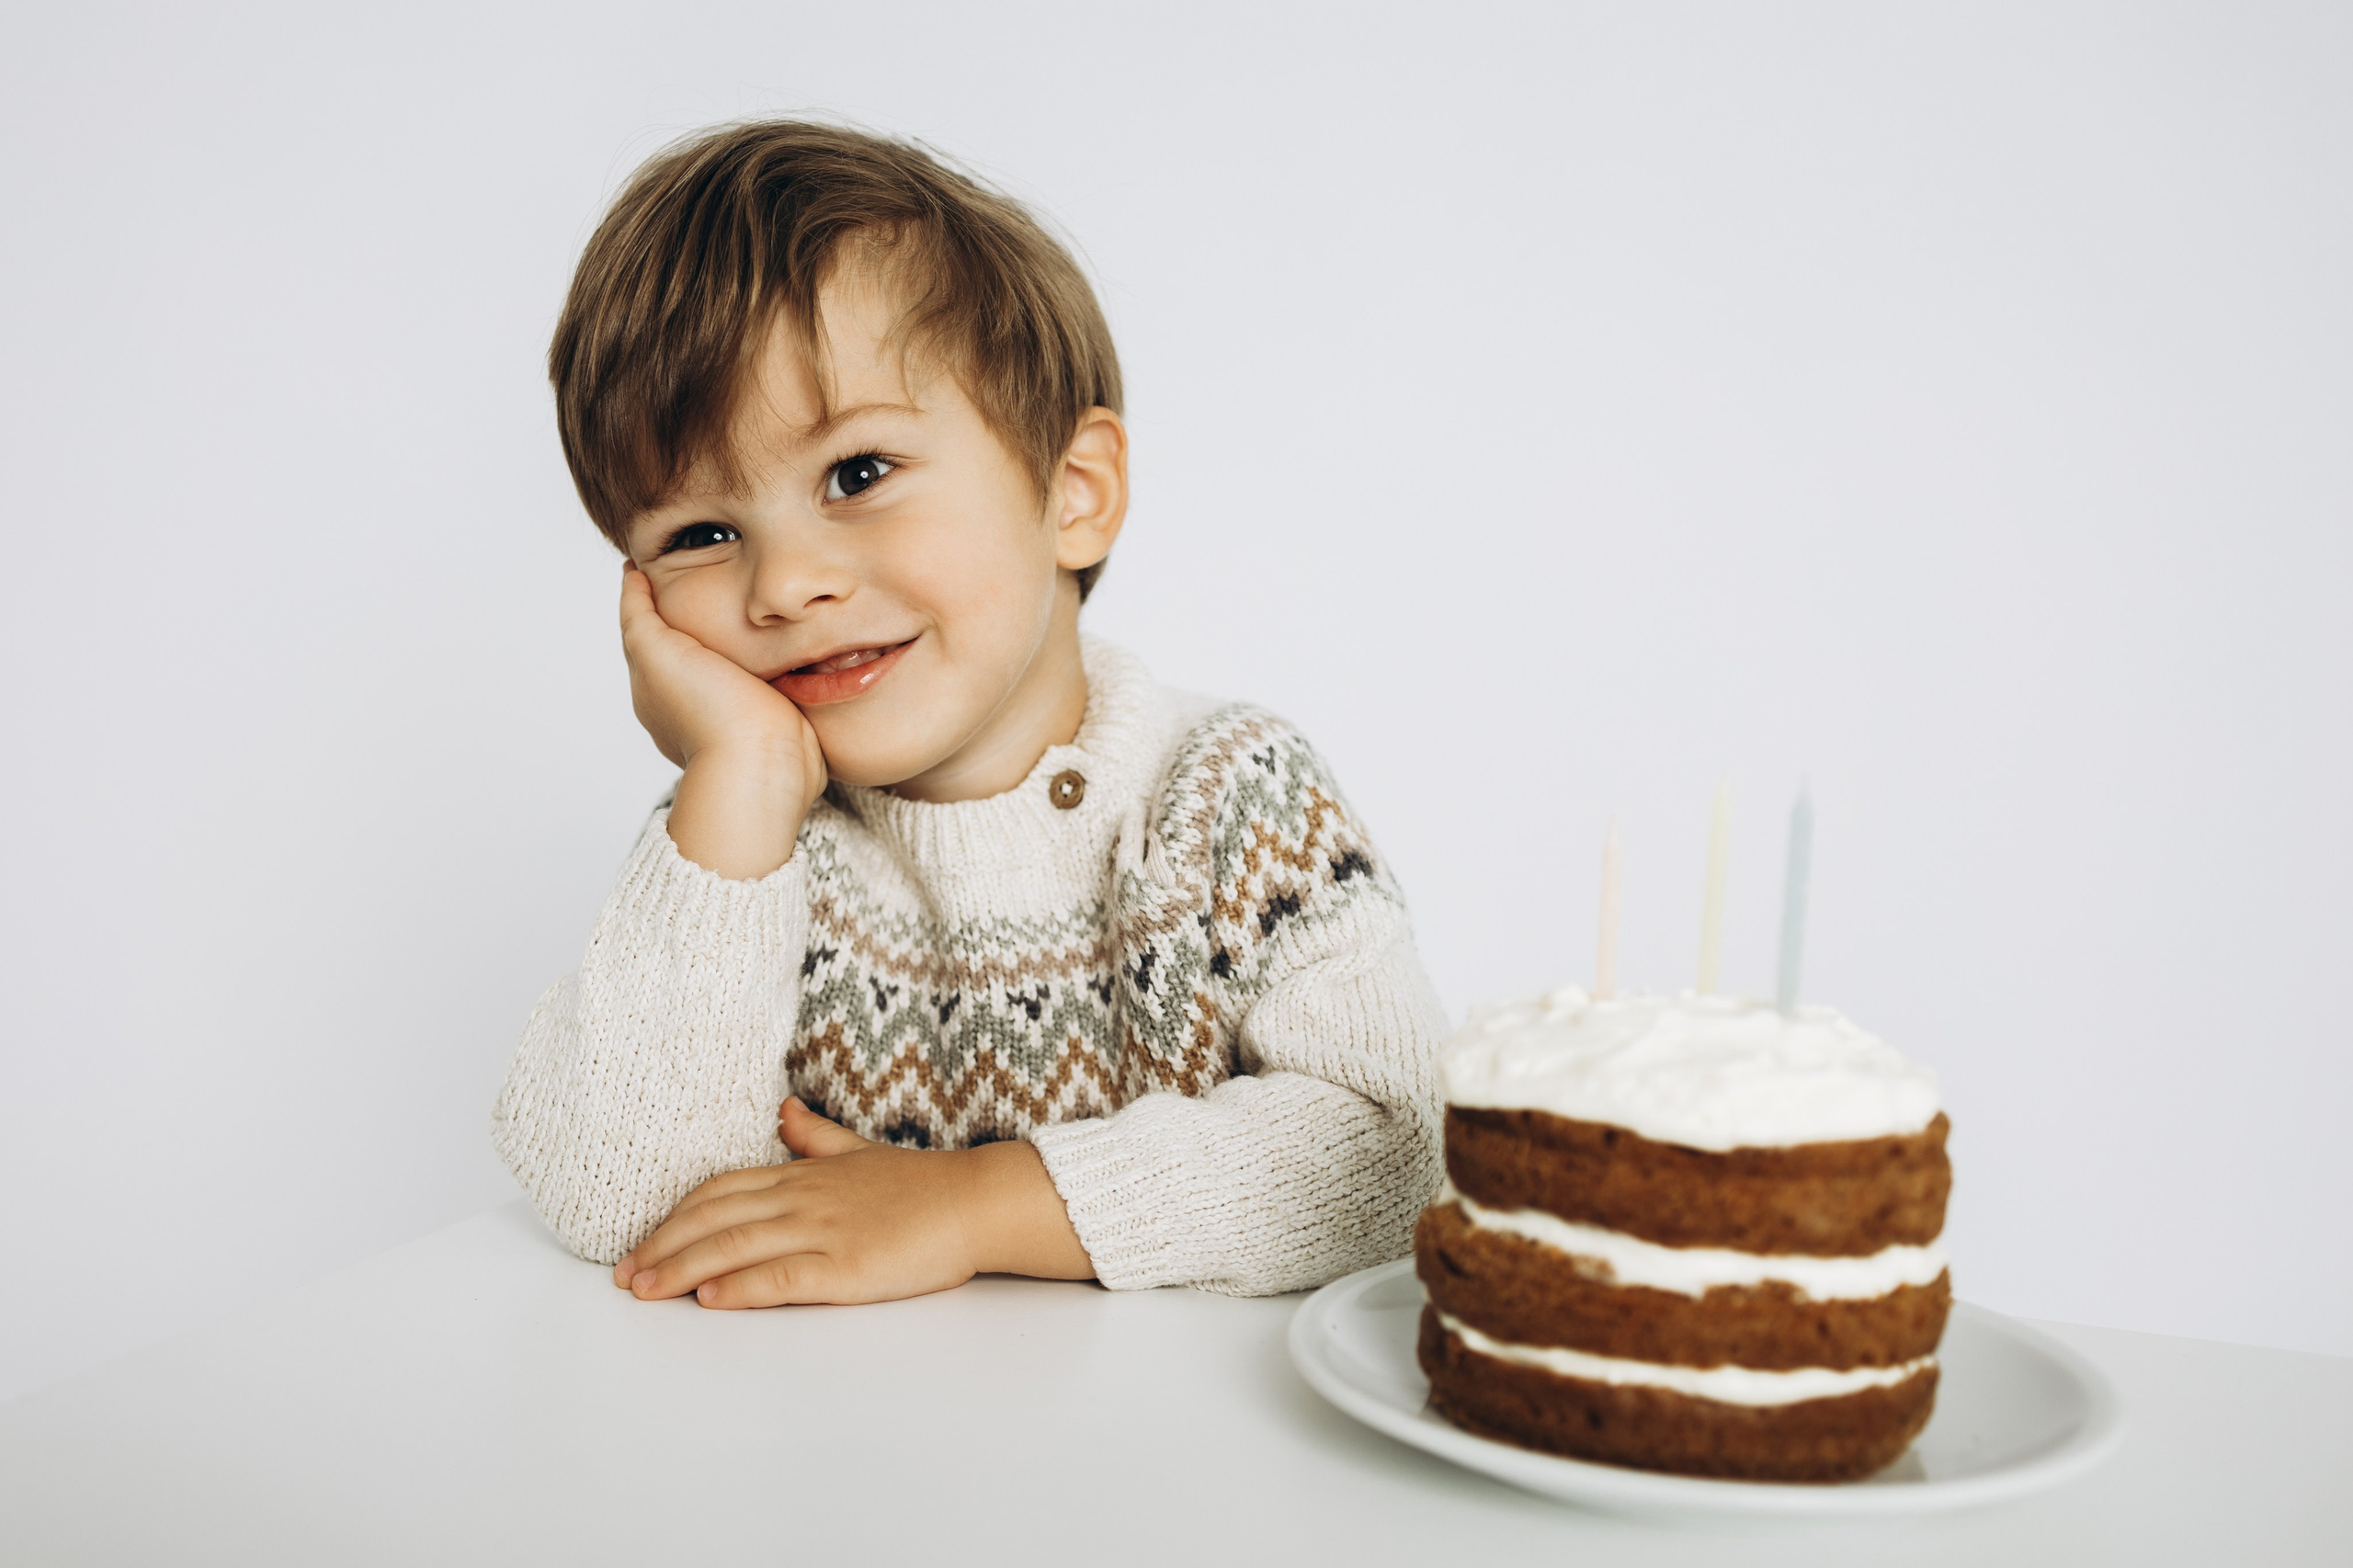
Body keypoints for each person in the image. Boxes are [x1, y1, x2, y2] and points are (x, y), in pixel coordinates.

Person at [494, 119, 1447, 1310]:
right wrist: (734, 786)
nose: (784, 584)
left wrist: (972, 1205)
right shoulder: (740, 852)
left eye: (857, 474)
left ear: (1074, 494)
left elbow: (1391, 1150)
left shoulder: (1228, 797)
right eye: (700, 533)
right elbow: (620, 1200)